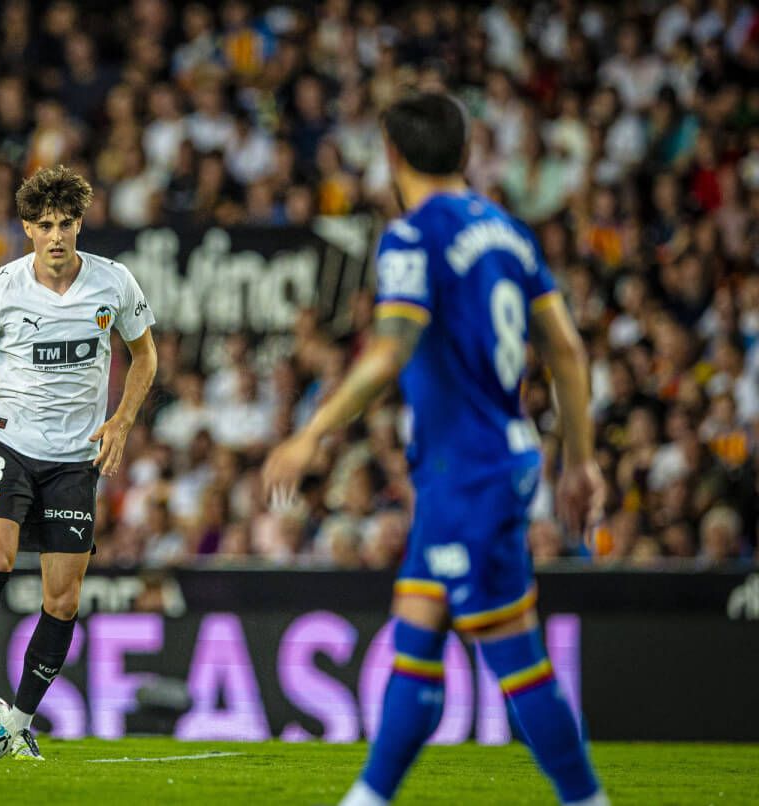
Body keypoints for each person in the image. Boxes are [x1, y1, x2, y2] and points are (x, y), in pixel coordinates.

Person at [262, 93, 607, 805]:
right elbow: (567, 351)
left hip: (468, 469)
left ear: (392, 156)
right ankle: (368, 797)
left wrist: (308, 434)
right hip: (494, 460)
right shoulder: (509, 233)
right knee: (415, 638)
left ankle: (585, 800)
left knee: (516, 656)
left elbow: (390, 351)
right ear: (465, 153)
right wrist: (582, 458)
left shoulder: (413, 236)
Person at [0, 165, 157, 760]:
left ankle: (16, 726)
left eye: (66, 223)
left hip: (75, 459)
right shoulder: (1, 287)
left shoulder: (114, 283)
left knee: (63, 600)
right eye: (45, 225)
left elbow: (145, 357)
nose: (57, 236)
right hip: (9, 445)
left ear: (80, 224)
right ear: (27, 229)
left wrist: (121, 421)